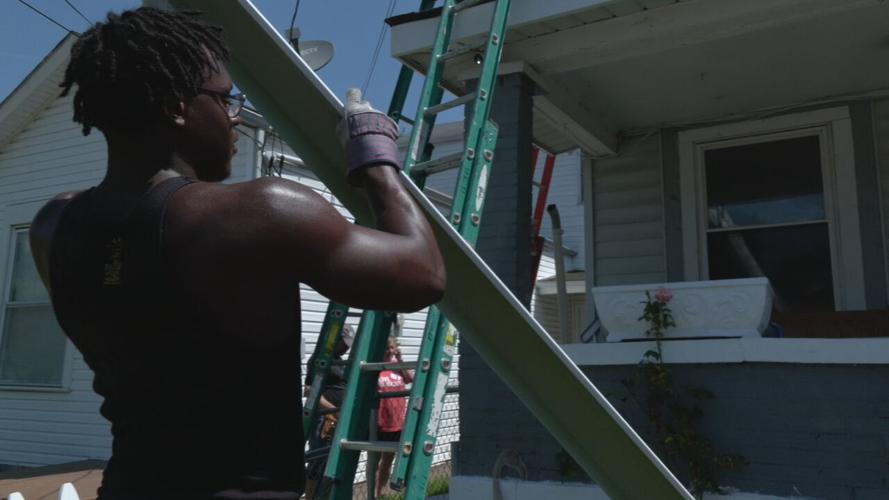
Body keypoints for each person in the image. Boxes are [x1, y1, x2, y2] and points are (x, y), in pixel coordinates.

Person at [28, 7, 445, 500]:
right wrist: (377, 157)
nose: (235, 116)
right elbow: (423, 274)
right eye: (226, 99)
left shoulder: (52, 227)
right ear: (175, 105)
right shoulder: (260, 210)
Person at [303, 325, 354, 499]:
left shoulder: (341, 360)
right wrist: (331, 410)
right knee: (317, 463)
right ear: (335, 339)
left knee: (332, 463)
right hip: (324, 418)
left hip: (340, 416)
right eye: (344, 343)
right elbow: (309, 390)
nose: (347, 347)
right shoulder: (319, 358)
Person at [375, 336, 414, 499]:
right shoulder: (375, 367)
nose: (390, 351)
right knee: (376, 460)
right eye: (387, 348)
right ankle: (374, 493)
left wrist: (400, 360)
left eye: (392, 347)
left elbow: (410, 378)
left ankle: (383, 492)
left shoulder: (397, 366)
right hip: (380, 420)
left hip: (398, 420)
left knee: (390, 459)